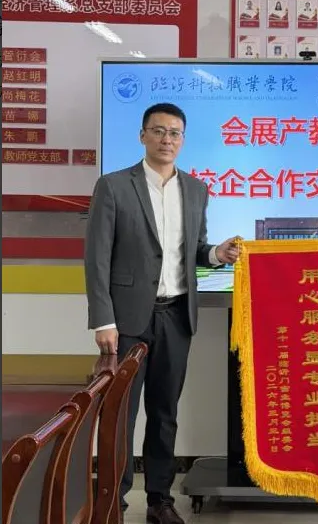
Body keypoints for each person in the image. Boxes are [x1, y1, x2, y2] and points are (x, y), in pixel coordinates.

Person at [85, 102, 241, 524]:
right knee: (120, 414)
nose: (166, 139)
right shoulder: (113, 186)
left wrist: (216, 253)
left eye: (174, 133)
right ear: (142, 136)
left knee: (165, 413)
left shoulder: (196, 189)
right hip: (127, 321)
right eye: (158, 131)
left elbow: (194, 250)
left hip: (176, 317)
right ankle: (112, 501)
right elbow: (97, 258)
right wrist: (103, 320)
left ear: (182, 140)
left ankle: (159, 500)